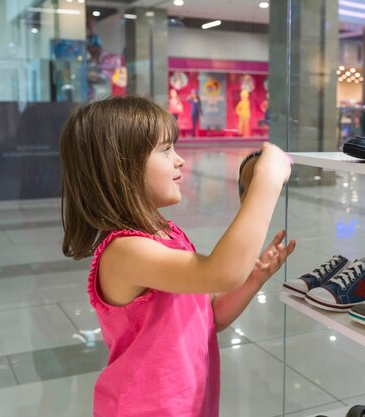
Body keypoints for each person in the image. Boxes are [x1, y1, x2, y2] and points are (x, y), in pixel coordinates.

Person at [59, 96, 295, 417]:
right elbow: (222, 271)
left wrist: (253, 277)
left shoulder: (168, 236)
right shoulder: (125, 252)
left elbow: (208, 319)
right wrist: (267, 178)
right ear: (121, 166)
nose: (180, 160)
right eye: (166, 149)